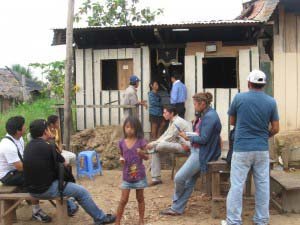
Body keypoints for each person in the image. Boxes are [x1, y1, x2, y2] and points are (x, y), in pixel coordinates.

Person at [23, 119, 116, 225]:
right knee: (82, 192)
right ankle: (100, 218)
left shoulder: (28, 147)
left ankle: (71, 206)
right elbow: (64, 163)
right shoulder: (48, 146)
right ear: (45, 131)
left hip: (31, 190)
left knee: (68, 187)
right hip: (45, 190)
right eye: (48, 129)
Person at [222, 70, 279, 225]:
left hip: (241, 149)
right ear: (264, 85)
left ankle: (233, 221)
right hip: (261, 149)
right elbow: (275, 128)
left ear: (249, 83)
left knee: (237, 186)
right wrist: (263, 136)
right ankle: (262, 220)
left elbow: (232, 121)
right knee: (262, 185)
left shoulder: (239, 98)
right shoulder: (271, 101)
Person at [160, 92, 222, 215]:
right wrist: (195, 124)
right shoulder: (206, 114)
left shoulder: (210, 117)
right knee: (189, 182)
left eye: (195, 104)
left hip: (202, 153)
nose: (194, 106)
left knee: (179, 178)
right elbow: (203, 134)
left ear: (203, 104)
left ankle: (176, 200)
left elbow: (204, 139)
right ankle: (177, 208)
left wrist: (188, 137)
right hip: (199, 150)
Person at [0, 116, 52, 223]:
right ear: (18, 130)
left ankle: (33, 200)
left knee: (37, 175)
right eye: (23, 126)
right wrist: (38, 166)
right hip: (8, 175)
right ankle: (36, 211)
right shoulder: (7, 145)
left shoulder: (18, 139)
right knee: (34, 178)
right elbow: (20, 167)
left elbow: (24, 158)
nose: (25, 127)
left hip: (15, 171)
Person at [146, 105, 192, 186]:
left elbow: (168, 138)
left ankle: (156, 178)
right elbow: (165, 135)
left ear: (172, 113)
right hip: (178, 144)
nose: (163, 114)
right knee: (155, 148)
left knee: (159, 146)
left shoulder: (178, 122)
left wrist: (153, 143)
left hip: (186, 147)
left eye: (165, 113)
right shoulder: (173, 121)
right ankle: (156, 178)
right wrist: (154, 143)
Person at [115, 116, 149, 225]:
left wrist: (141, 153)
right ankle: (117, 221)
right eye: (127, 127)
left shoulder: (141, 142)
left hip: (139, 175)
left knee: (140, 198)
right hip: (127, 176)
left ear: (137, 129)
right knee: (123, 200)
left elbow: (147, 157)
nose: (129, 130)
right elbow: (121, 154)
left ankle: (141, 220)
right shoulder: (121, 142)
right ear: (124, 128)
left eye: (132, 128)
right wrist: (121, 159)